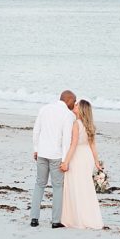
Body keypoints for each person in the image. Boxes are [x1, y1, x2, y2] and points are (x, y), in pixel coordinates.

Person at [30, 90, 76, 228]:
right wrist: (65, 161)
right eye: (74, 101)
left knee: (39, 185)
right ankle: (55, 221)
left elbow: (36, 130)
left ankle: (34, 218)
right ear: (68, 100)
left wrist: (36, 149)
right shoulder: (68, 115)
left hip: (42, 153)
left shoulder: (44, 109)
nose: (74, 104)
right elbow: (66, 139)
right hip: (56, 156)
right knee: (57, 188)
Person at [59, 99, 104, 230]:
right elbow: (93, 145)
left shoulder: (76, 124)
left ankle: (74, 218)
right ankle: (89, 217)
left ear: (81, 109)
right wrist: (96, 161)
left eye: (77, 105)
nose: (75, 105)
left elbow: (73, 145)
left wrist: (65, 162)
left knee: (74, 186)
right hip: (87, 157)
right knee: (86, 187)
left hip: (77, 156)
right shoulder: (89, 125)